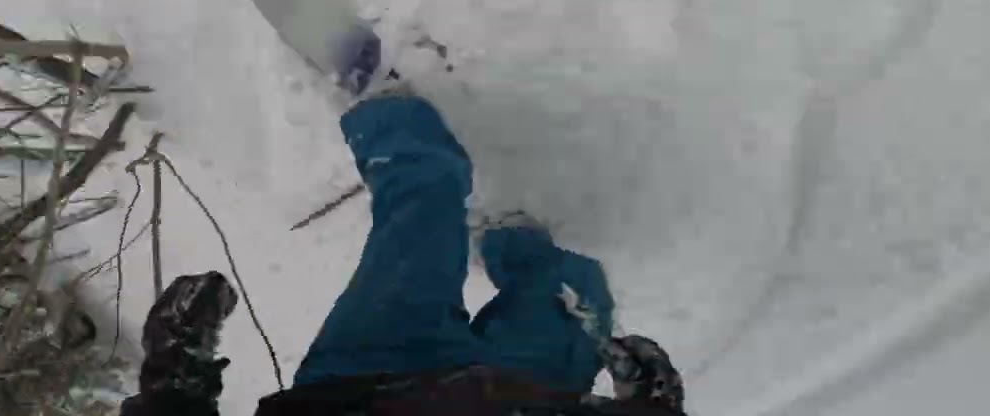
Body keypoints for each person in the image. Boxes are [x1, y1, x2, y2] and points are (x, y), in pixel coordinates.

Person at [121, 90, 686, 416]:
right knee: (574, 293)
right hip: (526, 400)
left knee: (424, 200)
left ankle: (380, 96)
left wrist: (175, 376)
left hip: (360, 382)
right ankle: (517, 247)